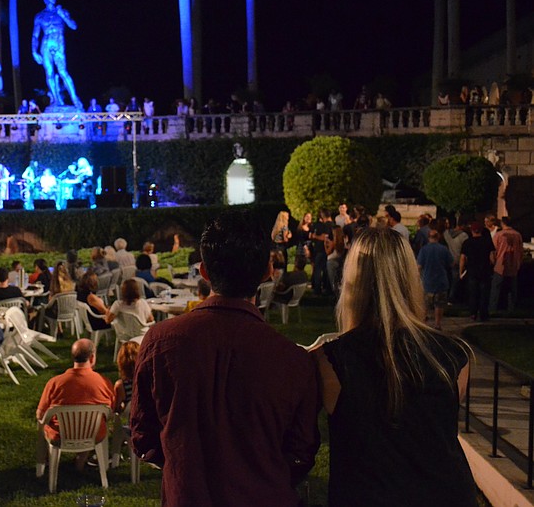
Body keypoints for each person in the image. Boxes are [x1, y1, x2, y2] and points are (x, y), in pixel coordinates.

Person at [133, 211, 320, 505]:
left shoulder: (160, 342)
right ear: (267, 272)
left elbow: (143, 435)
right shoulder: (292, 359)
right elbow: (302, 450)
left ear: (204, 271)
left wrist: (185, 467)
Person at [316, 227, 477, 507]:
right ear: (409, 277)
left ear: (352, 281)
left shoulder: (330, 362)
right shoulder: (455, 357)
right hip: (447, 494)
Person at [35, 339, 114, 471]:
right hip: (93, 435)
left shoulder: (55, 383)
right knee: (91, 424)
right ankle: (80, 462)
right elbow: (111, 412)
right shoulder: (104, 383)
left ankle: (47, 461)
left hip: (60, 436)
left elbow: (40, 414)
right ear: (92, 357)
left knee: (45, 424)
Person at [31, 0, 83, 109]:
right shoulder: (39, 16)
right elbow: (35, 35)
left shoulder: (61, 11)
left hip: (58, 43)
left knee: (63, 72)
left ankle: (75, 99)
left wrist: (64, 16)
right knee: (49, 73)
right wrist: (34, 51)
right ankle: (56, 99)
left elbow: (74, 26)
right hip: (46, 44)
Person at [417, 230, 454, 329]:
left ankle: (423, 324)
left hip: (427, 281)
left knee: (425, 304)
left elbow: (419, 266)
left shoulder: (424, 250)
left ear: (429, 238)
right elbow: (451, 263)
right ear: (438, 237)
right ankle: (437, 324)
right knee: (439, 304)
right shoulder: (444, 249)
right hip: (441, 280)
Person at [460, 222, 495, 322]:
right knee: (484, 293)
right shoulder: (487, 242)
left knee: (473, 293)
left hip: (472, 271)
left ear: (472, 231)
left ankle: (473, 313)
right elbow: (492, 257)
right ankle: (483, 314)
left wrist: (461, 271)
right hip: (485, 270)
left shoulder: (467, 242)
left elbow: (463, 258)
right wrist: (492, 264)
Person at [490, 216, 523, 313]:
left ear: (502, 223)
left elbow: (492, 250)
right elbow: (521, 251)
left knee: (496, 288)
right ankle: (511, 308)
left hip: (500, 265)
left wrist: (493, 262)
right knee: (512, 289)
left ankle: (493, 308)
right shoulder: (518, 235)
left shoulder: (499, 235)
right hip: (513, 265)